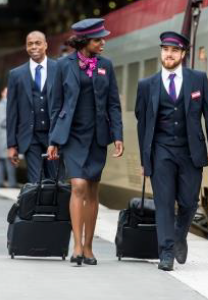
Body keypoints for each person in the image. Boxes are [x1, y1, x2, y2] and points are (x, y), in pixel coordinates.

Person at [135, 31, 208, 271]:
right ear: (161, 52)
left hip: (190, 150)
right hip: (161, 151)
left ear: (183, 54)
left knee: (188, 202)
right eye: (165, 50)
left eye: (174, 51)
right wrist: (145, 159)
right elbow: (142, 123)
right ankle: (166, 252)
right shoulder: (146, 85)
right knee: (163, 203)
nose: (169, 54)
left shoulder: (198, 80)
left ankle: (179, 235)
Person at [48, 18, 124, 266]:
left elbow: (113, 103)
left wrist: (118, 135)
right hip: (72, 136)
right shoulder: (63, 66)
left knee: (92, 189)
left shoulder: (106, 65)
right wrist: (54, 139)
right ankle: (77, 246)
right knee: (78, 185)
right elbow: (55, 105)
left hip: (97, 136)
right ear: (83, 42)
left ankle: (89, 247)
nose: (103, 43)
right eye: (97, 39)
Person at [6, 31, 57, 183]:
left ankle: (54, 208)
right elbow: (12, 111)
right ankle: (37, 207)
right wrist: (12, 145)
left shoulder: (59, 68)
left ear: (46, 45)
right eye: (30, 44)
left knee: (56, 182)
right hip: (30, 137)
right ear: (26, 47)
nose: (34, 47)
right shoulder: (16, 74)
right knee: (36, 183)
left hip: (54, 137)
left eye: (38, 43)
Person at [0, 87, 17, 188]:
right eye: (6, 92)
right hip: (4, 139)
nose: (8, 94)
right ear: (2, 94)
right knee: (10, 160)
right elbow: (3, 121)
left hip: (3, 139)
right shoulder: (2, 105)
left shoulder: (5, 105)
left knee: (2, 162)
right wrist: (16, 123)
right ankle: (12, 183)